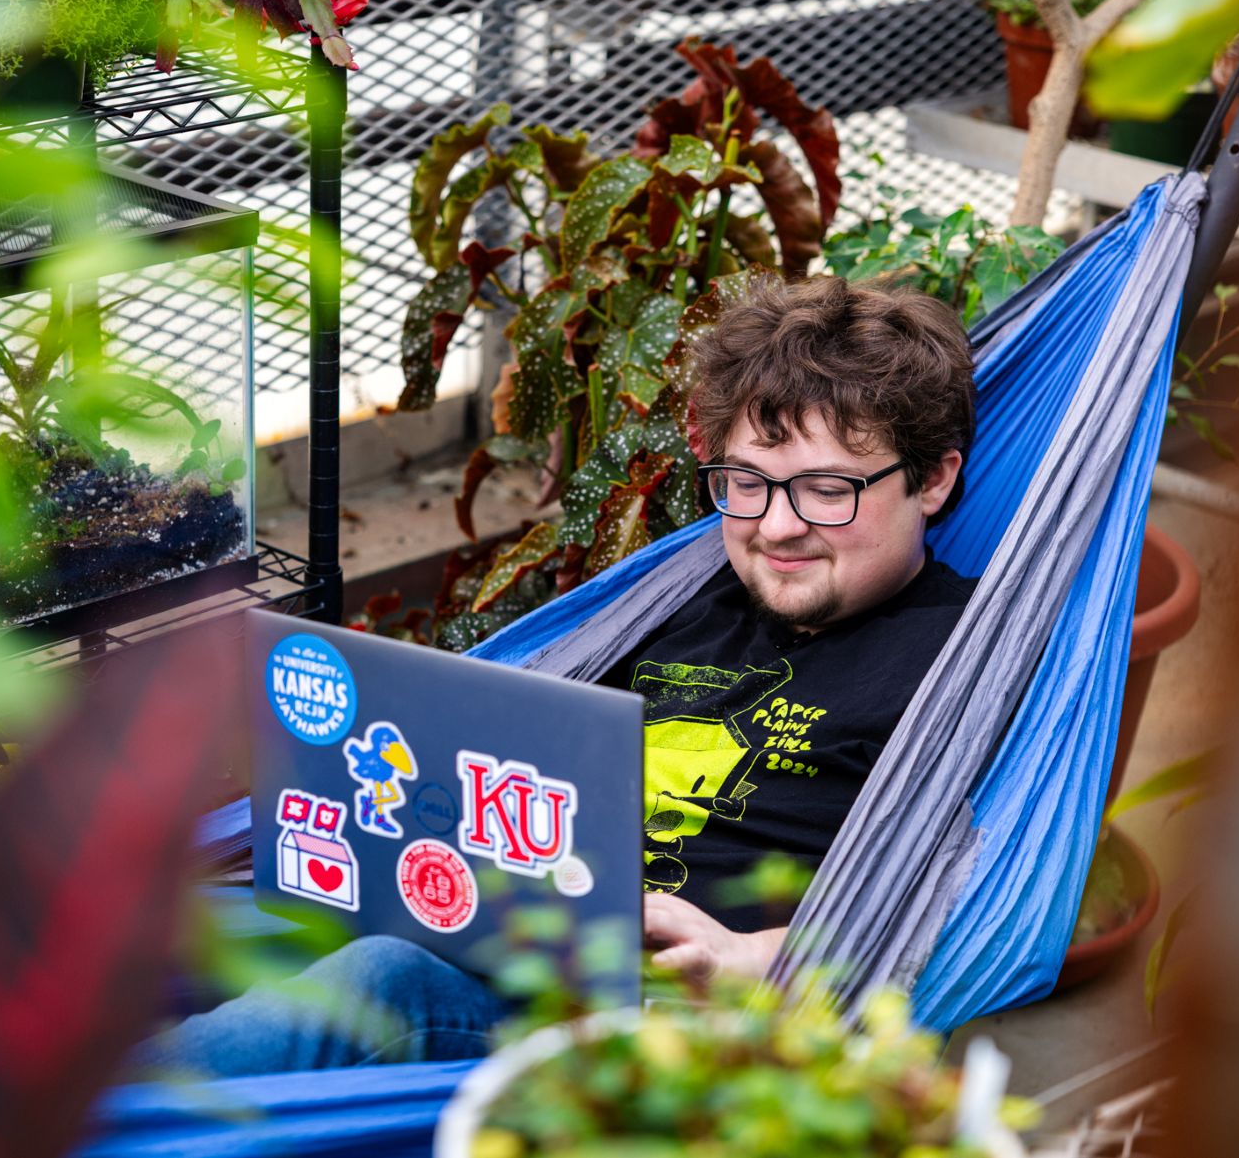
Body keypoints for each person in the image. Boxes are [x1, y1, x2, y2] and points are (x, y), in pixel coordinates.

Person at [135, 277, 979, 1076]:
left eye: (827, 489)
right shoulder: (680, 599)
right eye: (747, 483)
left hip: (624, 1010)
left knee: (380, 981)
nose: (779, 527)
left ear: (933, 478)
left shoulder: (966, 653)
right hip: (470, 905)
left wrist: (751, 955)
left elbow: (974, 898)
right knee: (130, 919)